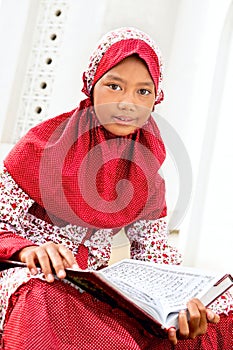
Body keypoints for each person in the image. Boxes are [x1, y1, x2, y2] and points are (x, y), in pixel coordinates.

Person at [0, 27, 232, 350]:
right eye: (114, 86)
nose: (127, 103)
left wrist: (179, 302)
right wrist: (28, 250)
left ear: (156, 98)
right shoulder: (43, 145)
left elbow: (153, 256)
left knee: (219, 313)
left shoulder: (146, 166)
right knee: (43, 293)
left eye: (143, 92)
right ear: (91, 86)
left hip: (95, 285)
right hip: (28, 274)